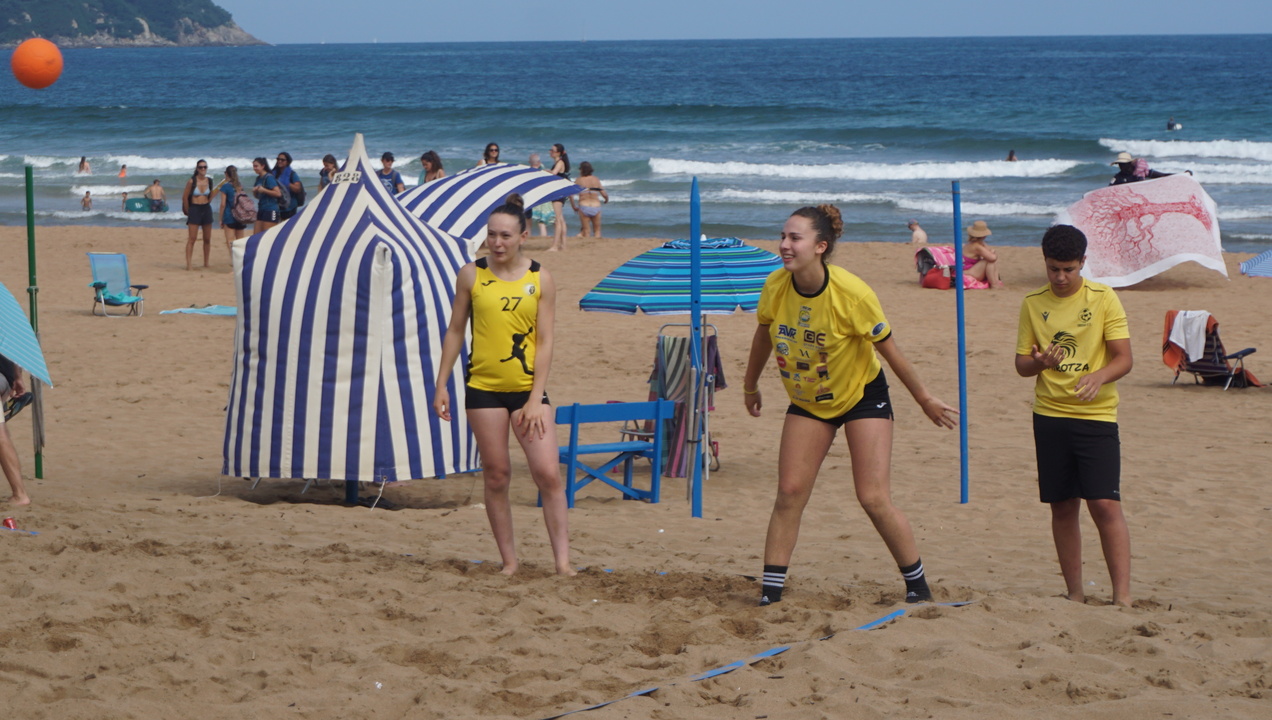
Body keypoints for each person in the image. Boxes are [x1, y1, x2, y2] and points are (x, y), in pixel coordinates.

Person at [743, 204, 958, 606]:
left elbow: (890, 351)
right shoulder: (776, 285)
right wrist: (749, 385)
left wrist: (924, 398)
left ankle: (918, 587)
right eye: (783, 236)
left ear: (820, 246)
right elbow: (763, 335)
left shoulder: (852, 293)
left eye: (795, 238)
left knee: (872, 497)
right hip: (809, 400)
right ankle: (770, 595)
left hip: (862, 396)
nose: (784, 245)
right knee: (789, 492)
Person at [432, 194, 574, 577]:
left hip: (527, 390)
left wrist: (534, 398)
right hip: (483, 389)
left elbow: (545, 341)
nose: (497, 243)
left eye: (505, 236)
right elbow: (455, 331)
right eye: (491, 235)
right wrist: (441, 384)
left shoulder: (540, 278)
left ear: (523, 236)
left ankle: (563, 563)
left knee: (548, 474)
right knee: (496, 475)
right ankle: (510, 562)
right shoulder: (471, 275)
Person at [1014, 224, 1133, 607]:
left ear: (1083, 262)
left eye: (1068, 269)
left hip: (1096, 415)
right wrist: (1040, 363)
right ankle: (1075, 593)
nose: (1061, 277)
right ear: (1045, 263)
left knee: (1104, 504)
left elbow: (1124, 358)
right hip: (1049, 414)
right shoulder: (1033, 302)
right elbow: (1021, 365)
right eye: (1054, 269)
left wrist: (1099, 376)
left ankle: (1122, 598)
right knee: (1063, 506)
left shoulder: (1103, 298)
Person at [0, 354, 30, 506]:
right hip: (6, 377)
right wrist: (17, 377)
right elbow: (13, 348)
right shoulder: (8, 336)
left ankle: (20, 494)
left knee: (1, 436)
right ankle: (19, 493)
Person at [182, 160, 215, 270]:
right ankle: (189, 264)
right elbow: (185, 197)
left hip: (206, 208)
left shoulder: (209, 181)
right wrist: (188, 210)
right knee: (192, 238)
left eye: (205, 167)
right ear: (197, 168)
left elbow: (210, 195)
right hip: (195, 209)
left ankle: (206, 263)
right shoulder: (192, 181)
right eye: (201, 167)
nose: (203, 169)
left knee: (207, 239)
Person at [217, 165, 249, 259]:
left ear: (226, 174)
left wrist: (220, 218)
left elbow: (223, 204)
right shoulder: (239, 186)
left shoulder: (225, 187)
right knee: (240, 241)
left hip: (229, 215)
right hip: (240, 216)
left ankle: (234, 260)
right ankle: (241, 259)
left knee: (230, 241)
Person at [571, 161, 608, 238]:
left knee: (586, 231)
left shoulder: (579, 180)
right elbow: (604, 193)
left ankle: (587, 243)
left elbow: (571, 194)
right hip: (596, 206)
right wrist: (606, 199)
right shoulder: (595, 179)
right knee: (597, 230)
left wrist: (573, 206)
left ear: (581, 170)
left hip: (584, 205)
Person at [963, 220, 1004, 289]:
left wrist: (985, 246)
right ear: (984, 236)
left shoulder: (972, 244)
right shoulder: (976, 246)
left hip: (969, 270)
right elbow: (992, 257)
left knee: (990, 260)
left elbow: (989, 252)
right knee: (989, 261)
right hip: (970, 272)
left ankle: (996, 282)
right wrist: (992, 252)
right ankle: (994, 284)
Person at [547, 143, 570, 251]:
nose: (550, 152)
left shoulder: (560, 162)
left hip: (558, 192)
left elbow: (553, 174)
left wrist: (543, 171)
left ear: (558, 153)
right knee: (561, 219)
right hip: (560, 192)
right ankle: (563, 245)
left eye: (552, 150)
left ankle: (555, 246)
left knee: (557, 220)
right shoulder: (559, 162)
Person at [251, 157, 281, 233]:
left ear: (263, 166)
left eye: (256, 166)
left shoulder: (269, 178)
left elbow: (278, 193)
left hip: (271, 209)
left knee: (267, 234)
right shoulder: (258, 178)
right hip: (261, 209)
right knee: (257, 235)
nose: (254, 168)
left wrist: (264, 190)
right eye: (253, 166)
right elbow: (258, 196)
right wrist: (255, 191)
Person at [527, 153, 553, 236]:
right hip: (543, 199)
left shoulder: (528, 173)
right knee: (542, 222)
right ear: (539, 162)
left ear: (529, 162)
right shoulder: (543, 172)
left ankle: (528, 237)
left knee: (528, 220)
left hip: (531, 198)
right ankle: (543, 238)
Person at [274, 152, 303, 220]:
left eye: (282, 160)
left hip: (290, 207)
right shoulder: (273, 173)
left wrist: (286, 184)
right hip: (277, 206)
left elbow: (298, 188)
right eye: (278, 159)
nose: (279, 161)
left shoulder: (292, 174)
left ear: (287, 162)